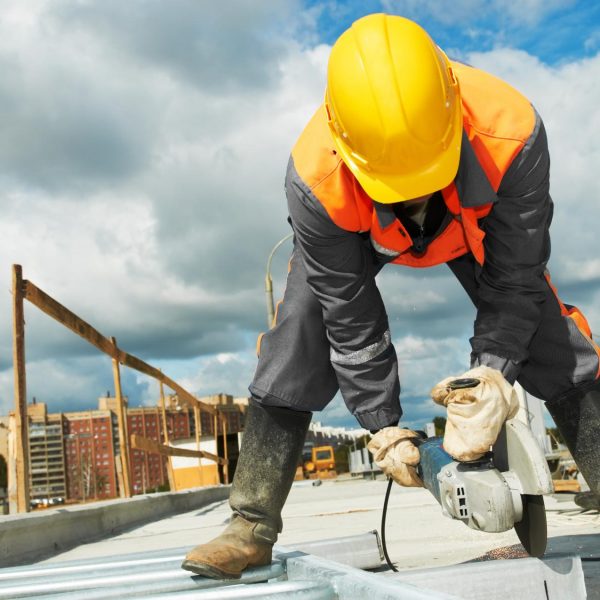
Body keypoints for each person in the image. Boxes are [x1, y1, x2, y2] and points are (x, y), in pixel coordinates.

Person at [181, 13, 600, 579]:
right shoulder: (315, 176)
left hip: (470, 224)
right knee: (299, 330)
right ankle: (250, 522)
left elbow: (515, 279)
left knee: (549, 332)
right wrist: (383, 425)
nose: (414, 195)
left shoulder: (513, 131)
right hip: (358, 231)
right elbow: (349, 317)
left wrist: (490, 378)